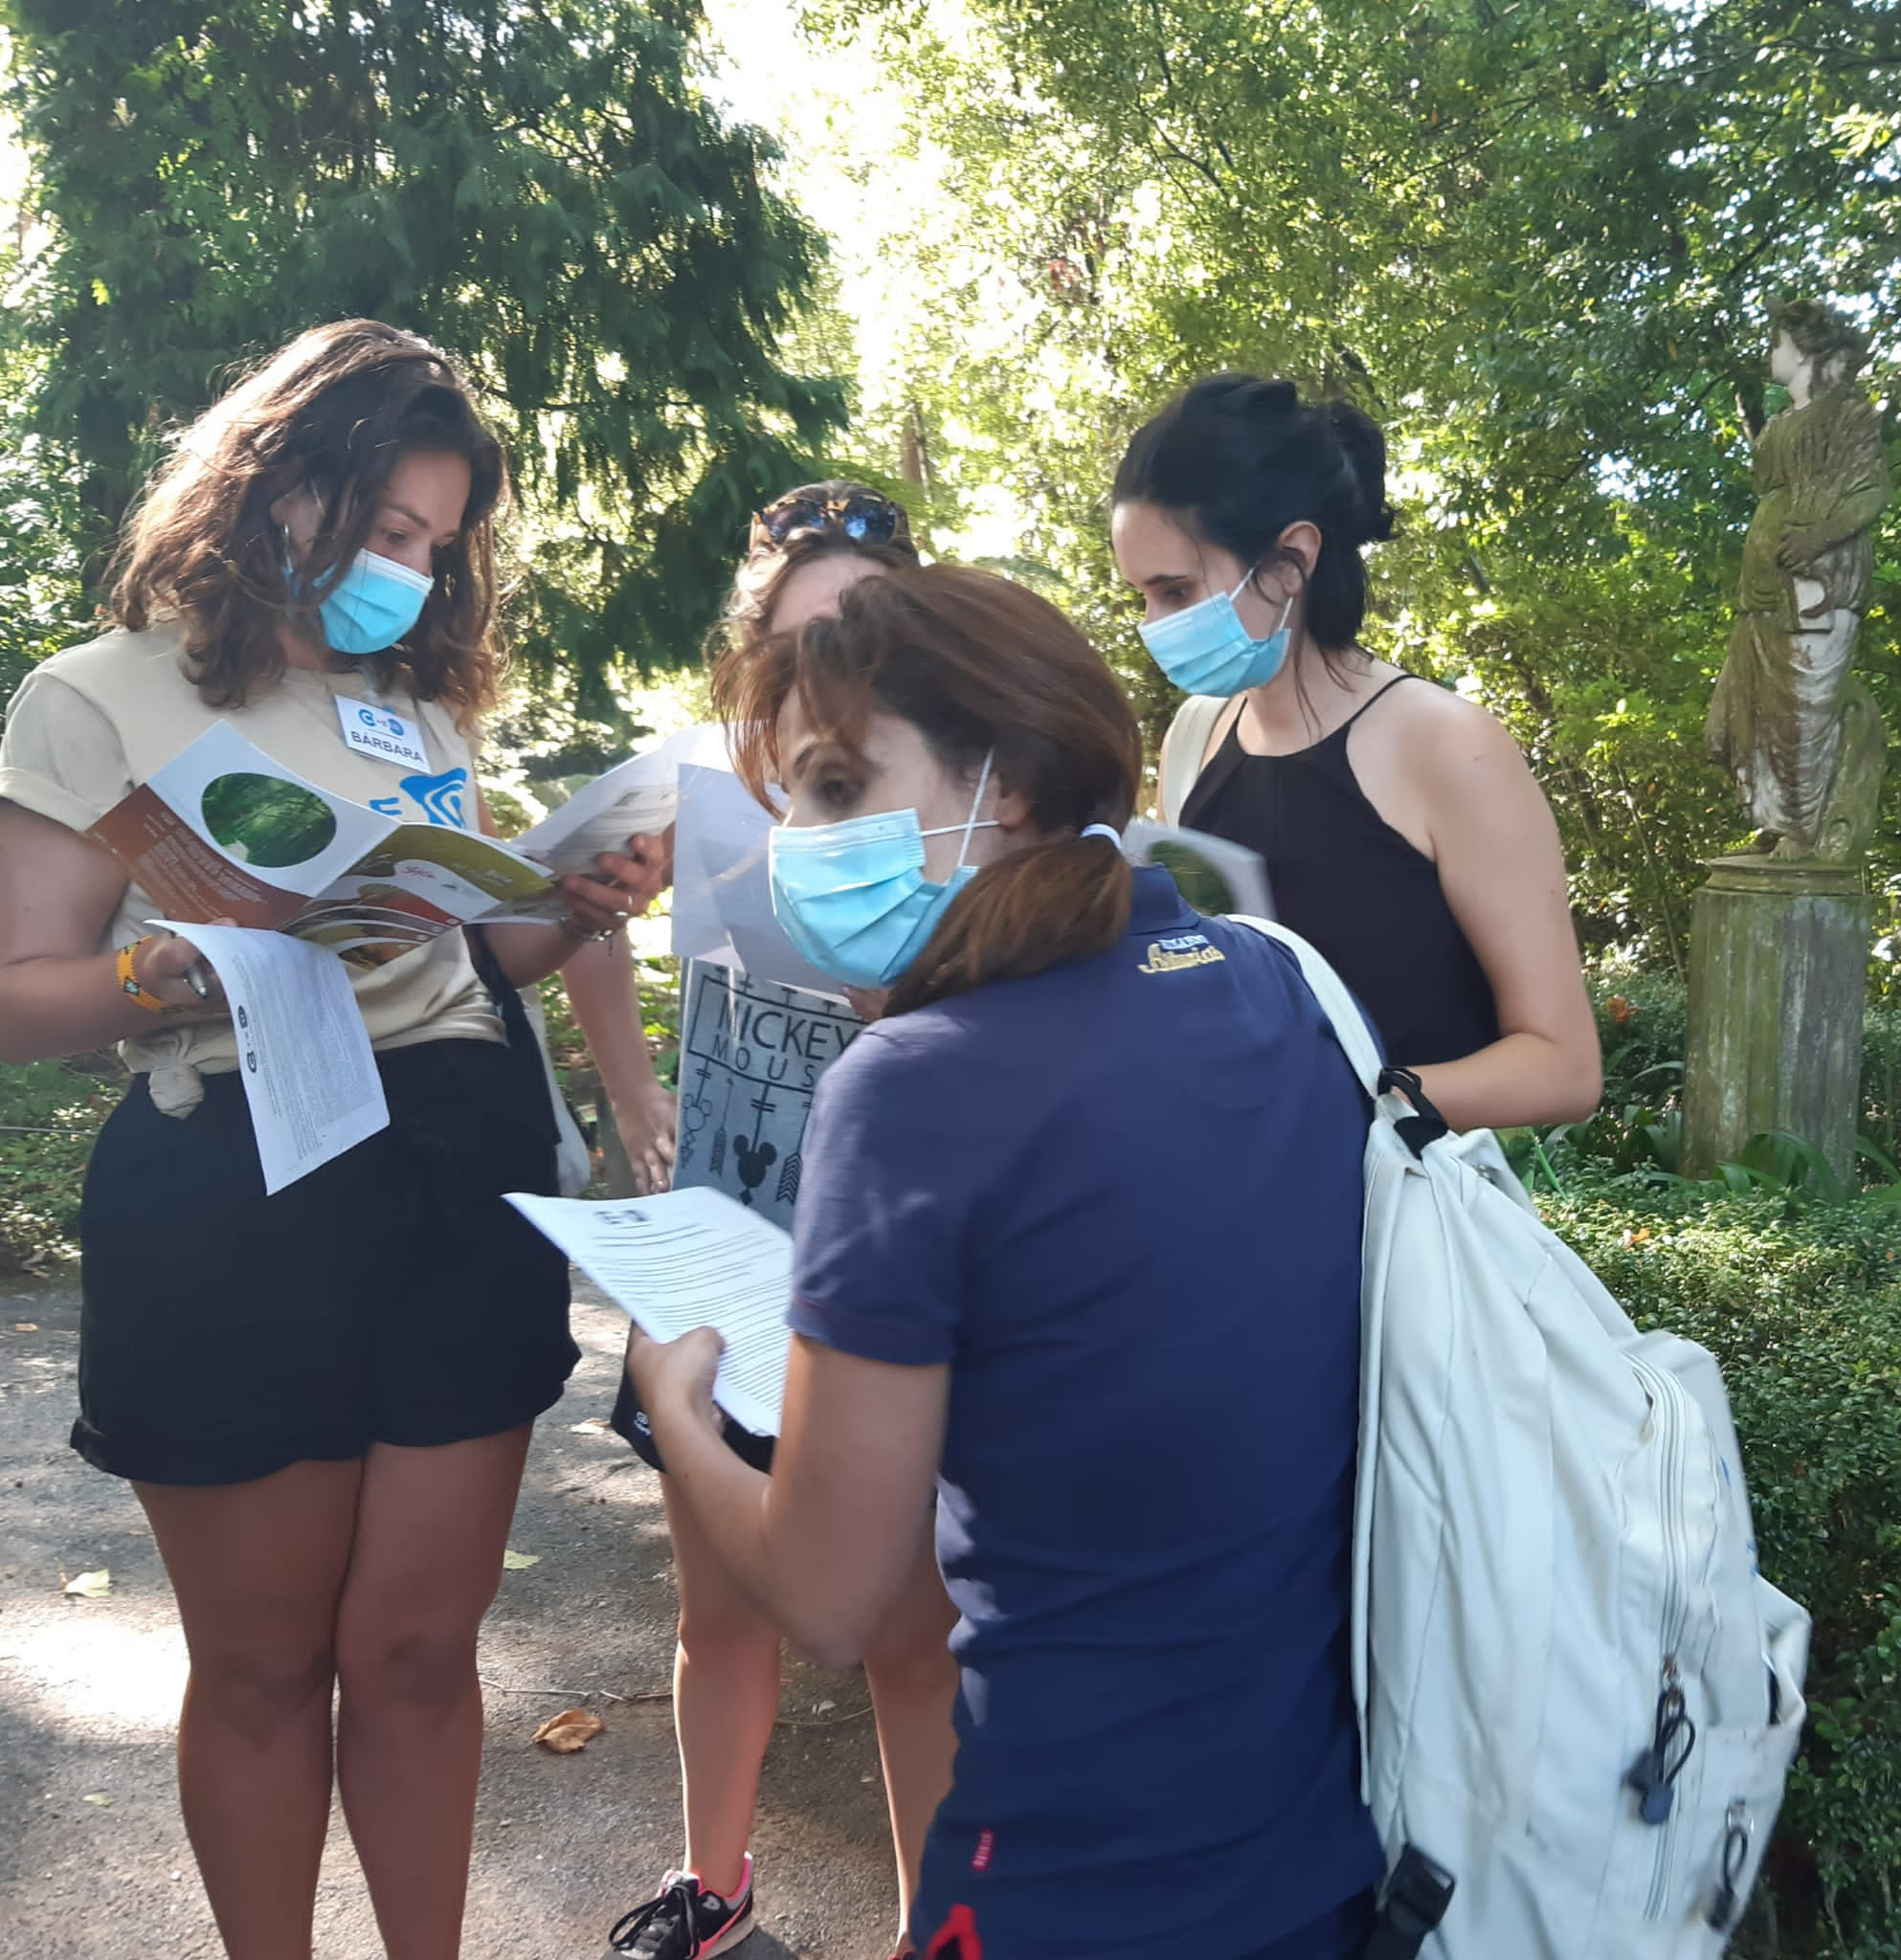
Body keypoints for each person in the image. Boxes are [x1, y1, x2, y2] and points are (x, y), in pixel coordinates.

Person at [0, 320, 652, 1960]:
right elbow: (16, 992)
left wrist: (557, 908)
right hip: (234, 1176)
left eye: (437, 548)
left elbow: (446, 961)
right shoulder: (94, 697)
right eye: (388, 534)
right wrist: (174, 962)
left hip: (450, 1159)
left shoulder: (414, 710)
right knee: (270, 1662)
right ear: (276, 487)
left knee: (426, 1646)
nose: (414, 578)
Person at [626, 563, 1385, 1960]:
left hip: (1068, 1869)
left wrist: (683, 1417)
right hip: (1314, 1851)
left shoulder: (918, 1088)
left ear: (1014, 781)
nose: (796, 836)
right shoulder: (1273, 986)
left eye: (841, 786)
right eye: (793, 792)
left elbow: (835, 1595)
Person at [595, 482, 962, 1960]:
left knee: (909, 1637)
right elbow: (577, 927)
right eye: (805, 624)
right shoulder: (690, 780)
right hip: (717, 1247)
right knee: (723, 1609)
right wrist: (631, 1097)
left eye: (864, 619)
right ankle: (715, 1890)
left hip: (896, 1256)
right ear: (753, 642)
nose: (833, 649)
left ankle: (930, 1931)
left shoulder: (940, 790)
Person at [1114, 374, 1601, 1131]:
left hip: (1404, 1224)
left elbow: (1561, 1067)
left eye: (1176, 592)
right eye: (1140, 596)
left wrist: (1344, 1094)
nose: (1153, 625)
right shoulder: (1194, 737)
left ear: (1291, 561)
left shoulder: (1448, 747)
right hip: (1235, 1204)